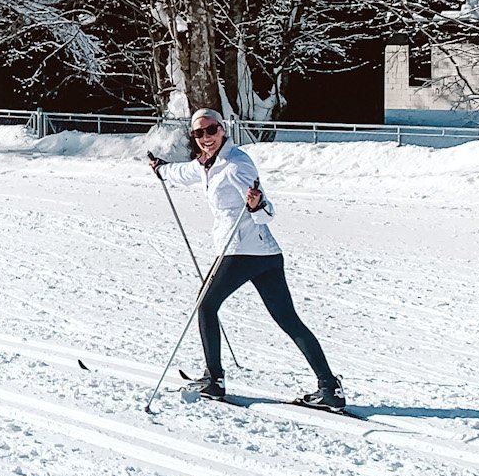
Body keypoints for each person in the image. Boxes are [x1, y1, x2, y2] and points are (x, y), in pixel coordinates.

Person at [147, 109, 345, 410]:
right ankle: (329, 389)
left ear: (222, 129)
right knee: (288, 320)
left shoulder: (236, 164)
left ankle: (213, 381)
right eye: (198, 133)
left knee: (206, 306)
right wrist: (161, 168)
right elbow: (184, 172)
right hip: (265, 255)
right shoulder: (205, 164)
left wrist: (256, 204)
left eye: (210, 130)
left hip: (240, 251)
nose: (205, 138)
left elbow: (267, 214)